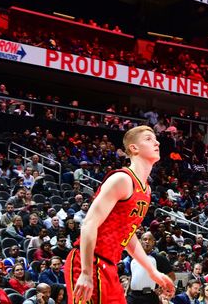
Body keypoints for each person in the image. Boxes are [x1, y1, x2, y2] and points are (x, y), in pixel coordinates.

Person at [66, 126, 174, 304]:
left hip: (109, 266)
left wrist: (152, 271)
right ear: (134, 148)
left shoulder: (146, 190)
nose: (157, 142)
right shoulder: (122, 179)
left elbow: (127, 235)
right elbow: (89, 224)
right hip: (89, 261)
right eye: (149, 139)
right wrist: (85, 272)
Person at [127, 232, 176, 304]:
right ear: (140, 241)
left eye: (150, 240)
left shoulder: (160, 258)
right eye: (145, 239)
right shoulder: (134, 257)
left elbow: (172, 276)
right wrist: (126, 292)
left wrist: (162, 288)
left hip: (149, 295)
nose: (147, 241)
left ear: (153, 242)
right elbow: (132, 276)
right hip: (133, 296)